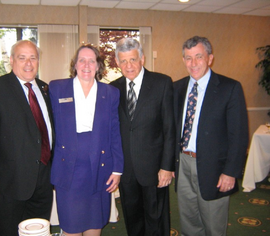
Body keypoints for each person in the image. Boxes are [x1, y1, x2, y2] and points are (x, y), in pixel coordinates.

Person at [0, 40, 54, 236]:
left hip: (43, 179)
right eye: (22, 57)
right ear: (11, 60)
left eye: (33, 58)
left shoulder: (45, 89)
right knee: (8, 231)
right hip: (10, 181)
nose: (28, 63)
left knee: (38, 230)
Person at [173, 36, 248, 236]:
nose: (193, 63)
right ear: (183, 60)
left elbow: (238, 135)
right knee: (189, 223)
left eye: (199, 56)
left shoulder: (229, 88)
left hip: (214, 169)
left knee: (214, 226)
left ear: (210, 58)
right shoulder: (177, 88)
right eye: (188, 58)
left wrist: (230, 172)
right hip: (183, 164)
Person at [49, 44, 124, 236]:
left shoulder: (110, 93)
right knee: (71, 225)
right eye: (82, 60)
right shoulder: (57, 88)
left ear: (98, 66)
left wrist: (117, 169)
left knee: (94, 222)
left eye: (92, 60)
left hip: (100, 168)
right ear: (74, 64)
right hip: (69, 170)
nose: (86, 65)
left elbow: (115, 133)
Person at [110, 38, 175, 236]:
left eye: (133, 60)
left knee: (156, 219)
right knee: (132, 218)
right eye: (123, 61)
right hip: (127, 169)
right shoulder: (113, 89)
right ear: (117, 63)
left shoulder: (162, 83)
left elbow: (169, 128)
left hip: (155, 169)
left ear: (142, 59)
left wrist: (167, 166)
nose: (128, 65)